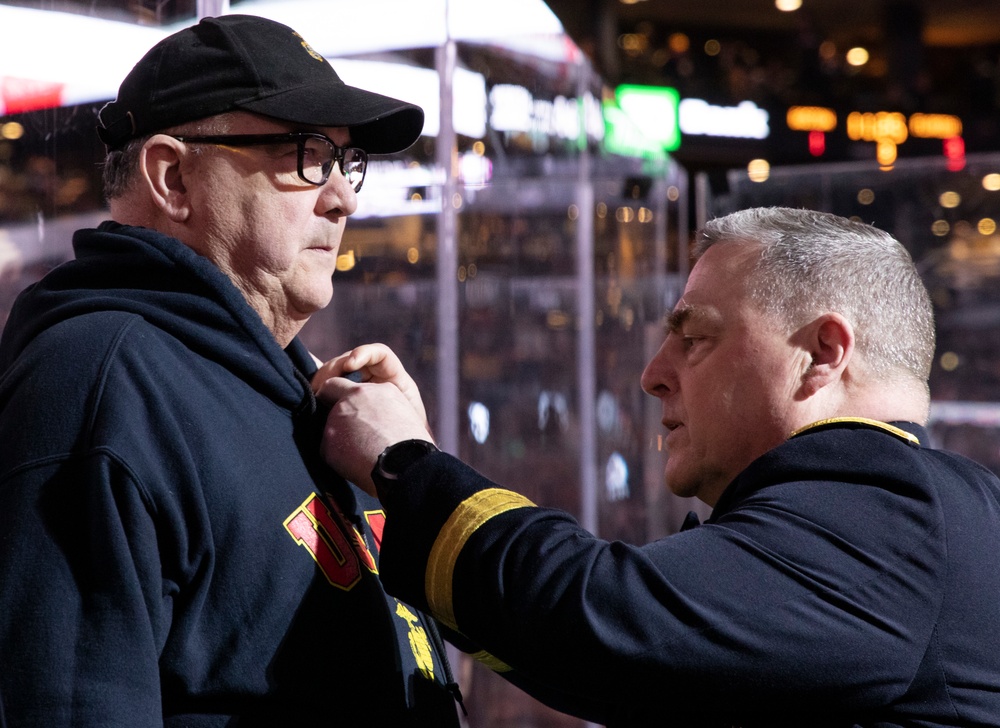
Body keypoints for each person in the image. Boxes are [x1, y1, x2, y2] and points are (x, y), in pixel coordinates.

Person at [315, 206, 1000, 727]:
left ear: (823, 352)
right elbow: (626, 662)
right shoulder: (937, 510)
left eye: (695, 338)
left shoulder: (887, 508)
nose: (652, 376)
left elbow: (604, 617)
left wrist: (405, 463)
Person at [0, 14, 464, 727]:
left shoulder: (300, 385)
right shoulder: (99, 383)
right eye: (306, 153)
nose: (343, 196)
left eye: (347, 161)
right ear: (173, 176)